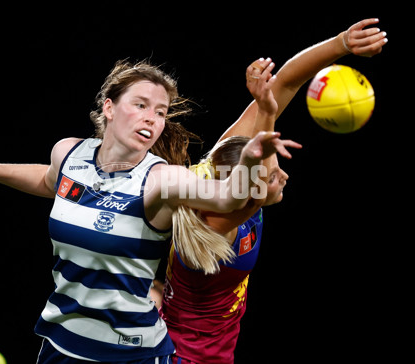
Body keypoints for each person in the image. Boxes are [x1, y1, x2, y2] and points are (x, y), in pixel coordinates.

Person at [0, 59, 285, 363]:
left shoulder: (162, 180)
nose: (151, 118)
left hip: (131, 355)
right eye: (141, 105)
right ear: (109, 107)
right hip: (61, 345)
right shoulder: (70, 153)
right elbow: (50, 181)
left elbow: (233, 198)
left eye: (161, 112)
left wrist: (260, 136)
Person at [154, 18, 388, 364]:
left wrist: (342, 43)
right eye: (275, 172)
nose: (285, 177)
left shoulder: (218, 163)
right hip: (189, 359)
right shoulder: (218, 219)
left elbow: (288, 82)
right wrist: (265, 111)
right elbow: (255, 183)